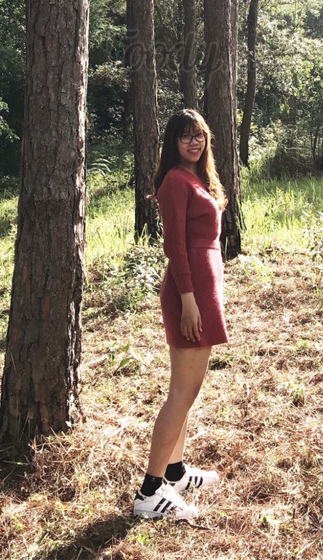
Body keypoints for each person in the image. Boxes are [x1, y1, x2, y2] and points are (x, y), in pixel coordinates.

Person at [133, 109, 229, 521]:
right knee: (181, 394)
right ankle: (149, 491)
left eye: (199, 135)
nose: (194, 142)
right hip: (189, 294)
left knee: (185, 392)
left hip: (202, 291)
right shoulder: (175, 181)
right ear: (172, 142)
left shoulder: (197, 178)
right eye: (185, 136)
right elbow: (174, 246)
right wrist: (189, 301)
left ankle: (175, 472)